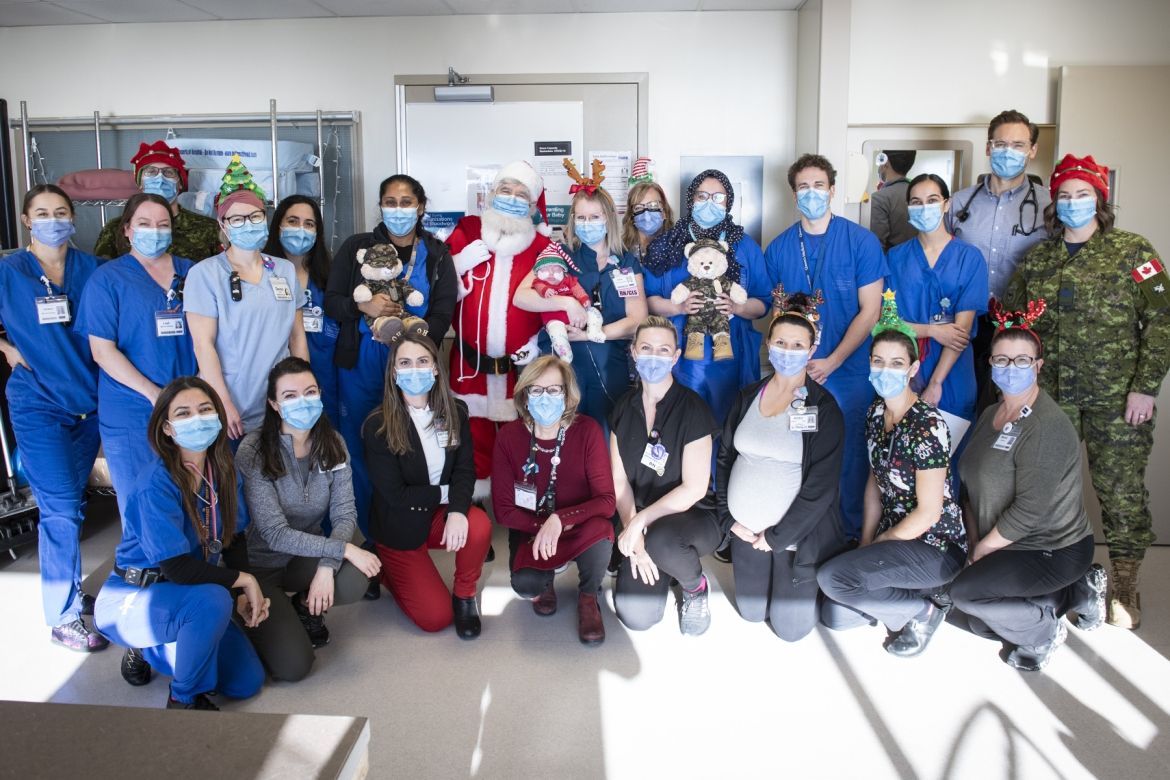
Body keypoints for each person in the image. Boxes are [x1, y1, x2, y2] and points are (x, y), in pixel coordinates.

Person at [1004, 153, 1170, 630]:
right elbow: (1014, 325)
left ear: (1100, 200)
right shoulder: (1038, 259)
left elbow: (1162, 320)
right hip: (1050, 401)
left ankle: (1124, 584)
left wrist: (1145, 387)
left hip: (1118, 400)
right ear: (1054, 203)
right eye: (1065, 195)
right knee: (1045, 491)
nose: (1074, 202)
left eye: (1083, 194)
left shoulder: (1134, 252)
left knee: (1121, 493)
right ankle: (1051, 579)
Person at [950, 301, 1107, 671]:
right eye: (1001, 360)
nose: (1010, 368)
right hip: (1005, 541)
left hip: (1051, 546)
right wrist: (974, 544)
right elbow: (971, 486)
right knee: (977, 620)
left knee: (966, 595)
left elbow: (1029, 511)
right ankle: (1075, 591)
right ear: (990, 364)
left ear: (1038, 366)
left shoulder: (1047, 426)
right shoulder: (991, 413)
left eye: (1021, 361)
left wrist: (981, 552)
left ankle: (1043, 633)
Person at [94, 377, 267, 709]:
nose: (197, 419)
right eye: (184, 414)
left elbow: (233, 539)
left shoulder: (224, 473)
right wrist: (244, 580)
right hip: (135, 595)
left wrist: (243, 594)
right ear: (168, 429)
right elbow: (177, 567)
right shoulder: (154, 485)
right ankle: (182, 698)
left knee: (247, 683)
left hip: (188, 593)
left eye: (205, 410)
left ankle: (163, 643)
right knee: (214, 601)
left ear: (218, 417)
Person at [817, 292, 967, 656]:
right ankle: (913, 596)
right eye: (879, 362)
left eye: (896, 363)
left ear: (913, 369)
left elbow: (928, 513)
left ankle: (925, 609)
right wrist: (867, 543)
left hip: (933, 545)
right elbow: (874, 486)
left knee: (833, 579)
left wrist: (881, 547)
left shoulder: (927, 425)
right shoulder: (874, 414)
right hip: (893, 537)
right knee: (833, 615)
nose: (886, 371)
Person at [0, 185, 104, 651]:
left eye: (60, 212)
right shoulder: (9, 271)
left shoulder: (91, 269)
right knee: (61, 509)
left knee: (74, 506)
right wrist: (5, 348)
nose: (53, 220)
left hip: (90, 404)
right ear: (26, 221)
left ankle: (71, 591)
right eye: (42, 213)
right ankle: (62, 618)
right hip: (38, 403)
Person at [325, 174, 457, 542]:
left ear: (421, 208)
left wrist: (413, 342)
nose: (397, 209)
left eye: (405, 202)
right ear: (381, 206)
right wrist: (361, 303)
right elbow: (332, 302)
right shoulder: (358, 247)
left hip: (414, 365)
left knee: (415, 446)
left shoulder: (438, 254)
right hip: (362, 365)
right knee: (364, 449)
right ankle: (372, 537)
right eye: (390, 201)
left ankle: (416, 529)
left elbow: (443, 314)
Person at [764, 153, 888, 540]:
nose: (812, 193)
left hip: (847, 373)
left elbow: (870, 311)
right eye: (803, 187)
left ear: (832, 190)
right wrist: (791, 369)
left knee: (850, 456)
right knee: (797, 453)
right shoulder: (779, 248)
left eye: (819, 185)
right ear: (793, 194)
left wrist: (832, 360)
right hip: (796, 377)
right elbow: (776, 316)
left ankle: (849, 533)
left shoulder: (860, 242)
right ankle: (798, 534)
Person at [235, 358, 380, 680]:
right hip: (260, 566)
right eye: (290, 396)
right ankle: (269, 612)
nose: (303, 401)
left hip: (306, 556)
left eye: (310, 391)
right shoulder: (254, 450)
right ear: (274, 404)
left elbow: (344, 514)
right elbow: (274, 533)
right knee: (294, 667)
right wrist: (342, 549)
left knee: (355, 576)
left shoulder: (333, 444)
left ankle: (304, 607)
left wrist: (327, 566)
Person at [716, 295, 847, 640]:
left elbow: (821, 487)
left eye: (797, 345)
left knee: (791, 631)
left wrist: (776, 537)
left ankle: (821, 588)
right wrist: (729, 520)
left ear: (811, 349)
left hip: (794, 538)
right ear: (768, 344)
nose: (788, 351)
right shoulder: (747, 396)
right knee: (750, 612)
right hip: (744, 532)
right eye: (781, 343)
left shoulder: (824, 408)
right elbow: (725, 459)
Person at [363, 318, 489, 638]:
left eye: (422, 361)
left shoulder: (456, 412)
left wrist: (459, 510)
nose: (414, 370)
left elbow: (465, 469)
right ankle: (383, 567)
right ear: (394, 373)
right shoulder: (377, 427)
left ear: (435, 368)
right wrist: (448, 497)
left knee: (479, 524)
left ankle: (464, 596)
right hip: (399, 525)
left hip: (435, 515)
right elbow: (396, 495)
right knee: (435, 619)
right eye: (405, 363)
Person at [79, 193, 197, 522]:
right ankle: (144, 572)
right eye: (144, 224)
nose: (154, 231)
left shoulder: (191, 273)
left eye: (162, 225)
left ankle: (191, 571)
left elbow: (210, 336)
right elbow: (102, 350)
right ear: (128, 229)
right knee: (141, 504)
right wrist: (153, 394)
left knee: (191, 501)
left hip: (187, 407)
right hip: (133, 410)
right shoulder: (107, 280)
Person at [491, 356, 616, 645]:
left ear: (567, 394)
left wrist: (561, 520)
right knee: (525, 585)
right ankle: (544, 582)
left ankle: (588, 597)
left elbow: (606, 500)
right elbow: (504, 511)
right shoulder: (509, 437)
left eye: (554, 390)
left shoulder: (587, 431)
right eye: (536, 390)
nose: (544, 398)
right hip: (531, 528)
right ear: (524, 394)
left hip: (578, 525)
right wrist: (542, 525)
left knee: (603, 529)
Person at [446, 161, 552, 497]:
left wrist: (537, 342)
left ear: (533, 206)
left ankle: (517, 505)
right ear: (491, 194)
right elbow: (436, 284)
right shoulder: (466, 230)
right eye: (505, 190)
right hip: (468, 362)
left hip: (519, 367)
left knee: (521, 438)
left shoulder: (540, 247)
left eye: (522, 195)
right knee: (470, 434)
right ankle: (472, 504)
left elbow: (551, 298)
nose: (511, 198)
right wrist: (458, 264)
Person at [610, 316, 721, 636]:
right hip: (642, 518)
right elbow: (619, 482)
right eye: (646, 348)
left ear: (675, 356)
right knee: (636, 615)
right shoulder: (622, 407)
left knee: (663, 542)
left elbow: (695, 488)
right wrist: (634, 530)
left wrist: (640, 524)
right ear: (633, 352)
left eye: (663, 350)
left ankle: (694, 587)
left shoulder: (693, 409)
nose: (654, 356)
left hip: (693, 516)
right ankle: (663, 562)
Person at [184, 157, 308, 440]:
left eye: (255, 216)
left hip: (279, 401)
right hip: (231, 404)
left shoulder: (284, 270)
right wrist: (222, 403)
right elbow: (204, 346)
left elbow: (297, 338)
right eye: (237, 219)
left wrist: (302, 392)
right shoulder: (205, 274)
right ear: (223, 225)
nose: (248, 224)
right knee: (235, 482)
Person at [514, 170, 648, 431]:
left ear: (608, 219)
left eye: (594, 217)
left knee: (604, 434)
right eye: (582, 218)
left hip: (611, 365)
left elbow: (637, 320)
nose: (588, 224)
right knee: (561, 435)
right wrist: (566, 303)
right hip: (561, 365)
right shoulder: (559, 254)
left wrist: (589, 335)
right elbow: (522, 296)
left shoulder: (626, 263)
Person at [946, 110, 1051, 413]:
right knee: (965, 407)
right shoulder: (960, 203)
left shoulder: (1050, 207)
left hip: (1022, 325)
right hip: (966, 323)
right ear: (989, 147)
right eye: (1001, 144)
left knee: (1014, 409)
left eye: (1018, 145)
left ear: (1032, 150)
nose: (1009, 152)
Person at [887, 173, 988, 453]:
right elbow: (888, 322)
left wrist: (935, 383)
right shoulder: (896, 258)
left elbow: (960, 333)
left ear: (947, 204)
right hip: (904, 366)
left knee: (946, 459)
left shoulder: (969, 258)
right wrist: (932, 330)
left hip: (951, 373)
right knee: (902, 459)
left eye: (932, 200)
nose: (924, 207)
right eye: (916, 202)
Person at [264, 195, 340, 426]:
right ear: (278, 225)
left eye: (309, 224)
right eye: (293, 221)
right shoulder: (262, 273)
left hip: (326, 372)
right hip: (276, 376)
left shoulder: (331, 276)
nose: (301, 229)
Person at [93, 140, 221, 261]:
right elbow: (102, 276)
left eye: (169, 172)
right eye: (151, 172)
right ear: (140, 183)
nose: (160, 178)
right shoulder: (116, 229)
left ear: (180, 183)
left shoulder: (208, 229)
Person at [621, 157, 675, 263]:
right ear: (631, 215)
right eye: (638, 207)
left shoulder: (677, 248)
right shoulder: (621, 250)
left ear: (664, 211)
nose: (646, 214)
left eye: (653, 205)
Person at [869, 149, 918, 251]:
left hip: (891, 263)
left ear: (885, 163)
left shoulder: (879, 198)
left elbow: (877, 247)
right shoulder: (919, 193)